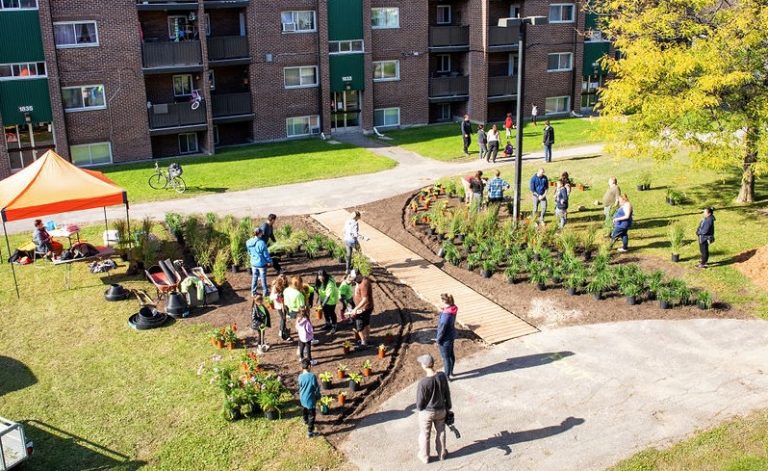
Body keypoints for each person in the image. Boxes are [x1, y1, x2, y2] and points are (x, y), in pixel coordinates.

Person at [415, 354, 452, 464]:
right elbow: (447, 394)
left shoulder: (423, 382)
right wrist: (448, 407)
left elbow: (419, 404)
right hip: (441, 410)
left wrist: (421, 408)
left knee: (425, 434)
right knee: (441, 431)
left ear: (424, 366)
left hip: (427, 412)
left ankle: (425, 456)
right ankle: (442, 454)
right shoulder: (442, 376)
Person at [298, 358, 321, 438]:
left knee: (304, 410)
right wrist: (318, 397)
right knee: (312, 416)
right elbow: (316, 388)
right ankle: (310, 432)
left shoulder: (300, 376)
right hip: (310, 400)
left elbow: (300, 386)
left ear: (302, 367)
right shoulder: (312, 376)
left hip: (302, 398)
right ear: (309, 366)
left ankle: (305, 420)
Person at [436, 294, 457, 379]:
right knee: (451, 355)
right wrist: (443, 310)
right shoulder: (454, 308)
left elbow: (441, 330)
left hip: (445, 339)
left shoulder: (445, 317)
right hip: (451, 335)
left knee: (446, 358)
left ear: (444, 302)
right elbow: (448, 310)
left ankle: (446, 376)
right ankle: (451, 371)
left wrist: (438, 340)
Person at [246, 227, 272, 297]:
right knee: (263, 278)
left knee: (254, 278)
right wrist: (269, 261)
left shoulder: (248, 242)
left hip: (253, 263)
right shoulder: (261, 243)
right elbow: (266, 255)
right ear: (260, 233)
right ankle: (265, 292)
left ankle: (253, 292)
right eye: (261, 233)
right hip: (261, 264)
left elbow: (249, 253)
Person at [351, 270, 374, 349]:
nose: (354, 281)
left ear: (359, 274)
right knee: (366, 323)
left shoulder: (364, 283)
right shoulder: (360, 281)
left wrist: (355, 309)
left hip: (363, 308)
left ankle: (364, 343)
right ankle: (367, 339)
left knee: (359, 326)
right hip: (366, 307)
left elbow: (364, 299)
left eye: (355, 279)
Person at [270, 275, 291, 341]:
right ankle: (282, 332)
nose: (284, 281)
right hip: (279, 305)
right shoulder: (275, 287)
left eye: (284, 280)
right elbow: (271, 297)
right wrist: (277, 295)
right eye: (282, 280)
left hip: (285, 304)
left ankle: (282, 329)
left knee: (284, 318)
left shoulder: (286, 285)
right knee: (283, 318)